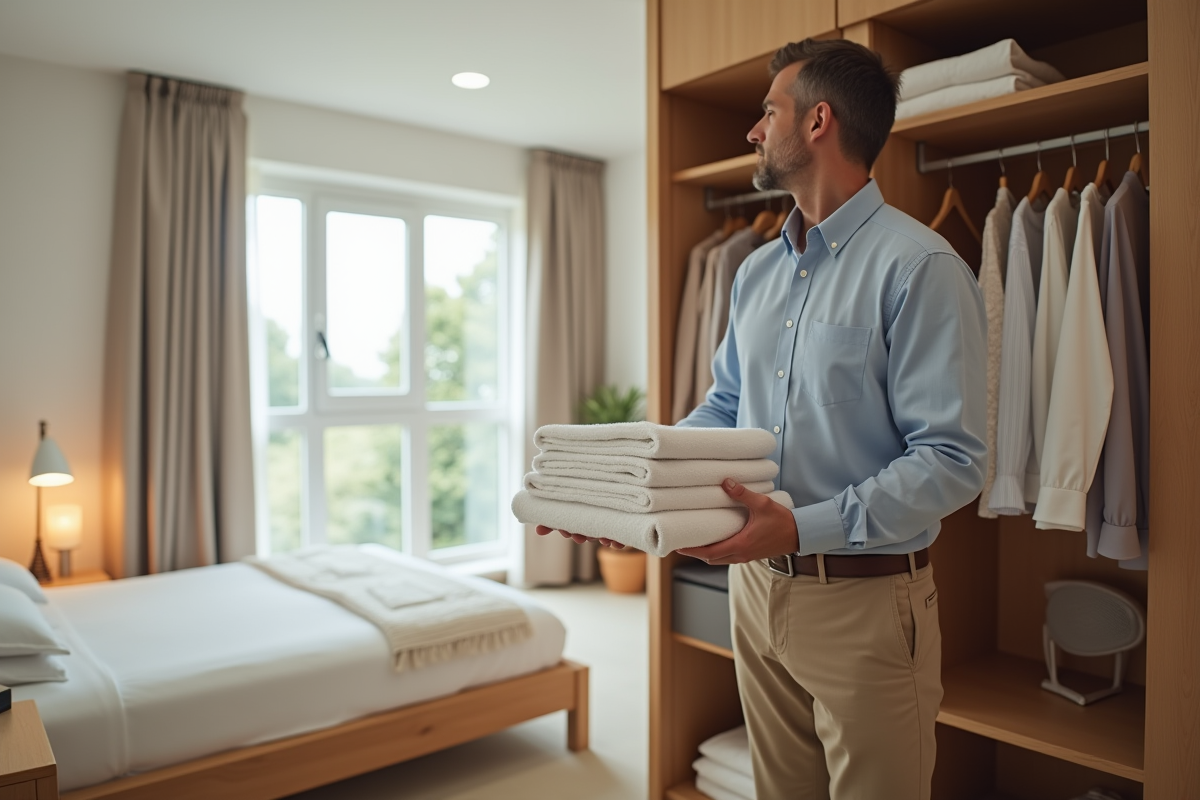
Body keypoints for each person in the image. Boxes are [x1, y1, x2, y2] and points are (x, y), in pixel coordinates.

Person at [538, 37, 986, 799]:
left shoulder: (921, 266)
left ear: (818, 122)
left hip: (868, 603)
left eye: (767, 111)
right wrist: (630, 495)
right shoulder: (756, 271)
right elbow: (724, 407)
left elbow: (950, 458)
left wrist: (800, 527)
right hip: (755, 590)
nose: (753, 130)